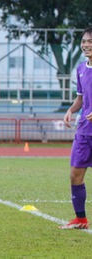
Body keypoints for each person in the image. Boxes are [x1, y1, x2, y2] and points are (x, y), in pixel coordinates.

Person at [61, 26, 92, 230]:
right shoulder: (81, 68)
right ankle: (80, 219)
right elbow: (81, 98)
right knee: (75, 174)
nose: (86, 45)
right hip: (84, 130)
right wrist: (71, 110)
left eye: (90, 41)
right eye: (83, 42)